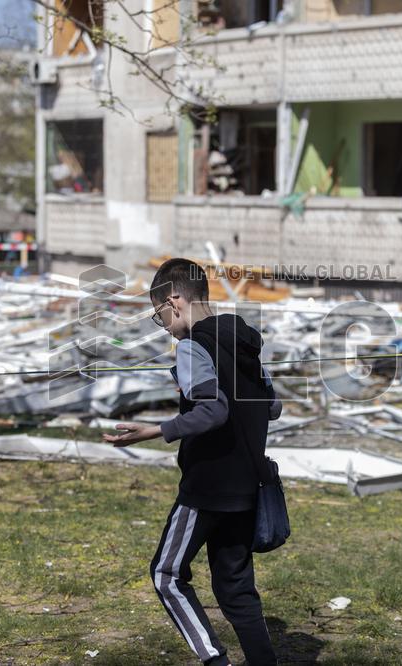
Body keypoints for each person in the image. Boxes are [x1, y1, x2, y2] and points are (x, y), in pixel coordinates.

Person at [103, 258, 281, 666]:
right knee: (236, 588)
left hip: (206, 489)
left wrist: (155, 430)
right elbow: (272, 407)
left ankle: (214, 660)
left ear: (174, 300)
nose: (163, 325)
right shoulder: (246, 343)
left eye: (159, 315)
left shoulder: (190, 346)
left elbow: (213, 410)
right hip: (247, 487)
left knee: (166, 575)